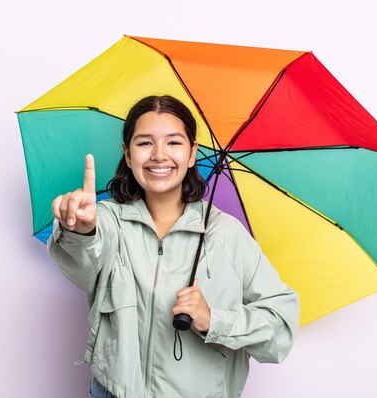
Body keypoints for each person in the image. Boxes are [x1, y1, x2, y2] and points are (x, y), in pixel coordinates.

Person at [48, 95, 299, 398]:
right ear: (127, 154)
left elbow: (280, 329)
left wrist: (213, 320)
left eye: (174, 142)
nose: (159, 155)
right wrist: (81, 232)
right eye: (144, 143)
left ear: (192, 153)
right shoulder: (108, 221)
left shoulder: (227, 234)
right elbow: (82, 265)